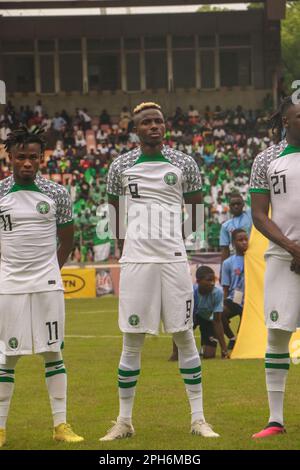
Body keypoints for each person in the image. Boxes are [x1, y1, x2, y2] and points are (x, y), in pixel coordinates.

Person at [100, 102, 219, 441]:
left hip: (172, 261)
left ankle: (198, 419)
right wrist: (129, 247)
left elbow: (195, 211)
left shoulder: (184, 163)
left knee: (183, 335)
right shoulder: (119, 166)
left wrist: (175, 241)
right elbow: (114, 213)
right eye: (147, 122)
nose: (154, 126)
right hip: (137, 262)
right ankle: (124, 421)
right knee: (132, 339)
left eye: (159, 121)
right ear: (135, 129)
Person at [0, 126, 83, 447]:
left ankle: (60, 425)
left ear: (42, 158)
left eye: (33, 157)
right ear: (9, 157)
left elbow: (67, 238)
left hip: (47, 284)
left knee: (53, 351)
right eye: (21, 157)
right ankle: (2, 428)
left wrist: (51, 270)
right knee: (7, 355)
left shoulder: (57, 193)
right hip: (9, 285)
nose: (27, 163)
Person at [250, 95, 300, 439]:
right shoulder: (266, 159)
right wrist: (292, 246)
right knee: (277, 335)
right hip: (284, 257)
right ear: (286, 121)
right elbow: (258, 215)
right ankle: (275, 420)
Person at [221, 229, 248, 351]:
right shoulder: (228, 263)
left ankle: (240, 341)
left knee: (245, 323)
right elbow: (225, 287)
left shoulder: (255, 259)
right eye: (240, 240)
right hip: (235, 297)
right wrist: (223, 302)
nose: (244, 242)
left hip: (251, 298)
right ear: (233, 243)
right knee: (220, 313)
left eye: (246, 239)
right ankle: (232, 338)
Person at [193, 266, 229, 359]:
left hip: (208, 320)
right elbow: (183, 322)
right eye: (209, 280)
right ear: (198, 281)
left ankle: (204, 345)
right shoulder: (191, 292)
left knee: (209, 355)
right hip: (194, 317)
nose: (212, 283)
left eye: (213, 280)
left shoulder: (218, 293)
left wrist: (224, 349)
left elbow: (217, 321)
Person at [219, 193, 252, 264]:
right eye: (233, 204)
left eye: (238, 204)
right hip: (237, 260)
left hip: (253, 256)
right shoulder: (225, 226)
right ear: (229, 206)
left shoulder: (251, 215)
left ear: (243, 204)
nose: (236, 206)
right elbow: (225, 250)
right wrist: (223, 270)